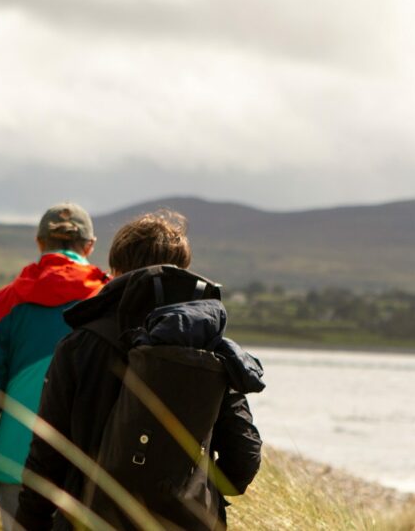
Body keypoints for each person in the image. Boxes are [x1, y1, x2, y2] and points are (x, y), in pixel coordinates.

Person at [15, 210, 263, 530]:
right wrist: (201, 491)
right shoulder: (207, 345)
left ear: (115, 271)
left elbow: (47, 455)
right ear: (181, 272)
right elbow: (243, 459)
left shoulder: (79, 344)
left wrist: (29, 522)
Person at [0, 203, 109, 530]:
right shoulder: (108, 299)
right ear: (90, 246)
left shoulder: (6, 301)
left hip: (16, 463)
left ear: (39, 243)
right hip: (90, 465)